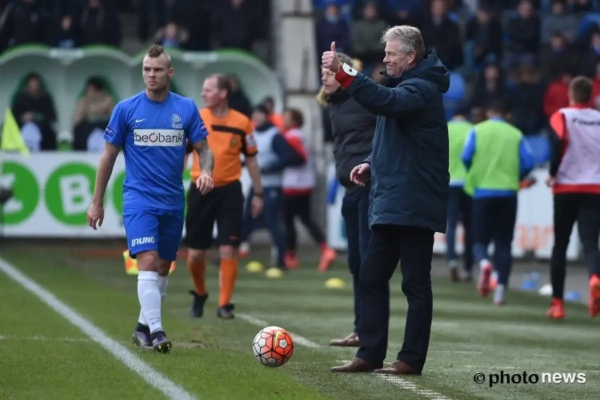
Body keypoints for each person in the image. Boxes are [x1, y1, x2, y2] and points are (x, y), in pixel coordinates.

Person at [324, 25, 450, 375]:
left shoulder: (421, 88)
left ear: (411, 56)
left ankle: (410, 359)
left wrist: (344, 72)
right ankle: (370, 353)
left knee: (414, 282)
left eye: (391, 53)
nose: (385, 59)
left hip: (415, 199)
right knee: (371, 275)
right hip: (395, 197)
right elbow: (395, 136)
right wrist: (371, 163)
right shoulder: (407, 86)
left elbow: (386, 103)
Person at [86, 45, 214, 353]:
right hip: (138, 199)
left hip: (173, 200)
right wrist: (96, 201)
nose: (151, 75)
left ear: (169, 73)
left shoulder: (185, 108)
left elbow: (204, 149)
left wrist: (207, 171)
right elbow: (107, 158)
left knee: (163, 267)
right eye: (147, 69)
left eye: (157, 70)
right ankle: (157, 332)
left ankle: (142, 328)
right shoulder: (126, 109)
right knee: (147, 261)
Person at [186, 74, 263, 320]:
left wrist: (258, 193)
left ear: (223, 93)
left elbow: (251, 159)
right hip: (200, 190)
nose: (203, 94)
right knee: (196, 253)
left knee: (228, 248)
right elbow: (183, 153)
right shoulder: (196, 118)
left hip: (230, 191)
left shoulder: (242, 122)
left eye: (208, 89)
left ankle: (224, 304)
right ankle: (200, 292)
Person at [316, 53, 375, 347]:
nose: (323, 78)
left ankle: (370, 332)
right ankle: (360, 329)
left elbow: (386, 134)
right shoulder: (334, 103)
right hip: (349, 191)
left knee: (367, 261)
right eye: (323, 73)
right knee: (355, 262)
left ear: (343, 73)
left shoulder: (365, 98)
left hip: (368, 188)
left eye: (329, 73)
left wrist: (370, 164)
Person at [461, 100, 535, 305]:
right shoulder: (516, 134)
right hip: (508, 193)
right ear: (507, 115)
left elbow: (465, 156)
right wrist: (517, 176)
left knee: (479, 240)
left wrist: (475, 173)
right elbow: (529, 161)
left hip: (482, 192)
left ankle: (484, 263)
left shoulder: (477, 131)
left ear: (489, 112)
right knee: (504, 242)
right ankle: (501, 289)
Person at [546, 76, 600, 319]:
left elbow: (558, 143)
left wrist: (552, 173)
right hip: (594, 187)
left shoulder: (562, 116)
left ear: (570, 94)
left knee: (560, 245)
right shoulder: (598, 118)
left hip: (566, 187)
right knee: (590, 242)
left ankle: (557, 304)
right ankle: (595, 277)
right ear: (590, 96)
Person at [239, 105, 303, 270]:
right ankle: (229, 255)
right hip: (257, 186)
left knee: (272, 222)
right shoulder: (252, 134)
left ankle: (281, 259)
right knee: (246, 220)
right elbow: (248, 157)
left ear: (267, 116)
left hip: (272, 186)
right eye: (255, 114)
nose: (257, 117)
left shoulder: (274, 135)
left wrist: (271, 167)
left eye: (260, 114)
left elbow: (290, 156)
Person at [281, 107, 337, 271]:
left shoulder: (291, 136)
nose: (283, 120)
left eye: (286, 118)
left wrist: (278, 162)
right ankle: (325, 248)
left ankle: (290, 256)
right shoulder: (302, 135)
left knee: (288, 220)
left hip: (293, 184)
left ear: (294, 121)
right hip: (305, 183)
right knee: (306, 219)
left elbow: (300, 157)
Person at [446, 108, 474, 282]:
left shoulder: (445, 128)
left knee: (451, 225)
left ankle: (451, 261)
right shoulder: (472, 130)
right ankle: (468, 268)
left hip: (449, 181)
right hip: (468, 183)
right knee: (469, 226)